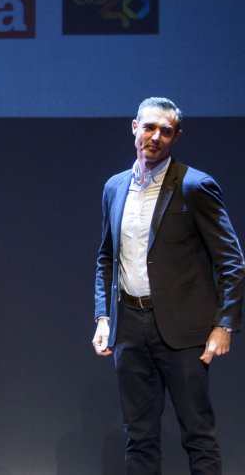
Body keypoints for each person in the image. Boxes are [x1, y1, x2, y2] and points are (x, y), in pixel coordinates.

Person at [92, 97, 243, 473]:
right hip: (129, 326)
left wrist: (224, 325)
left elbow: (232, 261)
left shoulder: (195, 186)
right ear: (135, 128)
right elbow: (106, 257)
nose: (155, 137)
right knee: (139, 436)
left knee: (198, 435)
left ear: (177, 136)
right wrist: (103, 317)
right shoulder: (115, 187)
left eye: (166, 131)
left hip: (183, 331)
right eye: (149, 127)